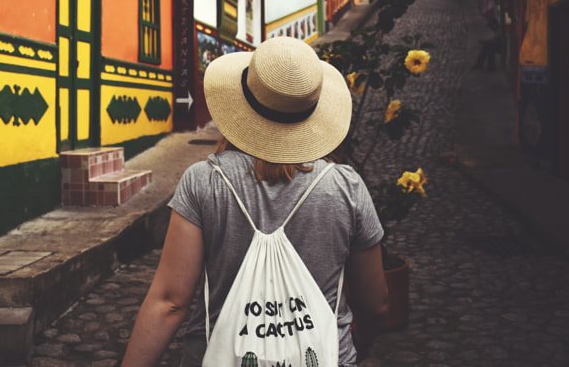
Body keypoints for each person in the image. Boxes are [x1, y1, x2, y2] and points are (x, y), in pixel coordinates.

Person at [121, 36, 390, 367]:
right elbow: (375, 304)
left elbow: (169, 303)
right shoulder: (346, 187)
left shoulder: (203, 183)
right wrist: (354, 347)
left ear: (242, 103)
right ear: (314, 111)